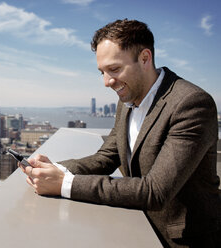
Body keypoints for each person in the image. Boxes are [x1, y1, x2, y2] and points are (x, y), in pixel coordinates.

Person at [20, 19, 221, 248]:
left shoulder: (191, 103)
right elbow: (107, 156)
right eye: (102, 72)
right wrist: (55, 169)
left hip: (184, 240)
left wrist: (65, 184)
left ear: (145, 58)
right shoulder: (126, 100)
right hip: (137, 229)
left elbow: (155, 192)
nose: (107, 82)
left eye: (114, 69)